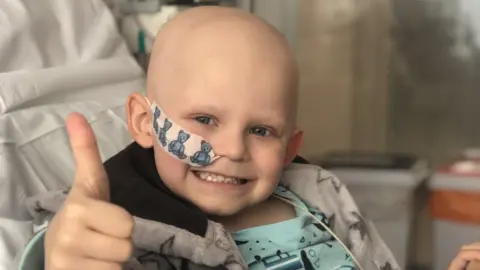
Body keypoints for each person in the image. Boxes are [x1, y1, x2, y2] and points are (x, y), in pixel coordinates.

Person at [15, 5, 478, 270]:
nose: (233, 150)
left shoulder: (323, 199)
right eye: (204, 119)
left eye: (261, 130)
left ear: (291, 147)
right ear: (142, 121)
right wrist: (56, 254)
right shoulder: (112, 218)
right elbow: (75, 243)